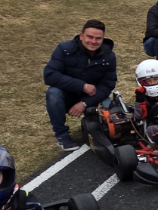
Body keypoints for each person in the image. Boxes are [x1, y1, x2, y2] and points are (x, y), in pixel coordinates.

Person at [45, 19, 118, 151]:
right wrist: (82, 86)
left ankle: (96, 125)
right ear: (81, 36)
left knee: (109, 107)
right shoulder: (64, 49)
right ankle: (62, 135)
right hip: (67, 95)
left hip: (92, 97)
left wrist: (84, 103)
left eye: (98, 38)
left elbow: (108, 85)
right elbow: (49, 75)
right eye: (89, 37)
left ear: (103, 39)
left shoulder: (109, 56)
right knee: (53, 93)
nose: (93, 41)